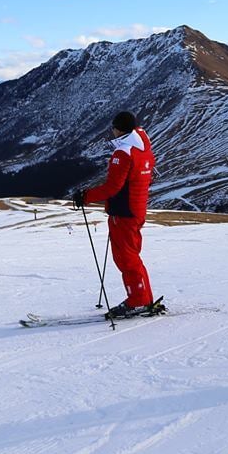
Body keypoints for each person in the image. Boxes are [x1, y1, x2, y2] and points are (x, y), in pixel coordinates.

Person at [72, 111, 162, 319]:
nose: (112, 131)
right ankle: (143, 297)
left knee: (125, 258)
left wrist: (85, 196)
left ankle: (138, 301)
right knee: (132, 256)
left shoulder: (123, 153)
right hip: (136, 209)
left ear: (119, 129)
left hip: (124, 212)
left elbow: (112, 187)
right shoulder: (144, 148)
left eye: (113, 127)